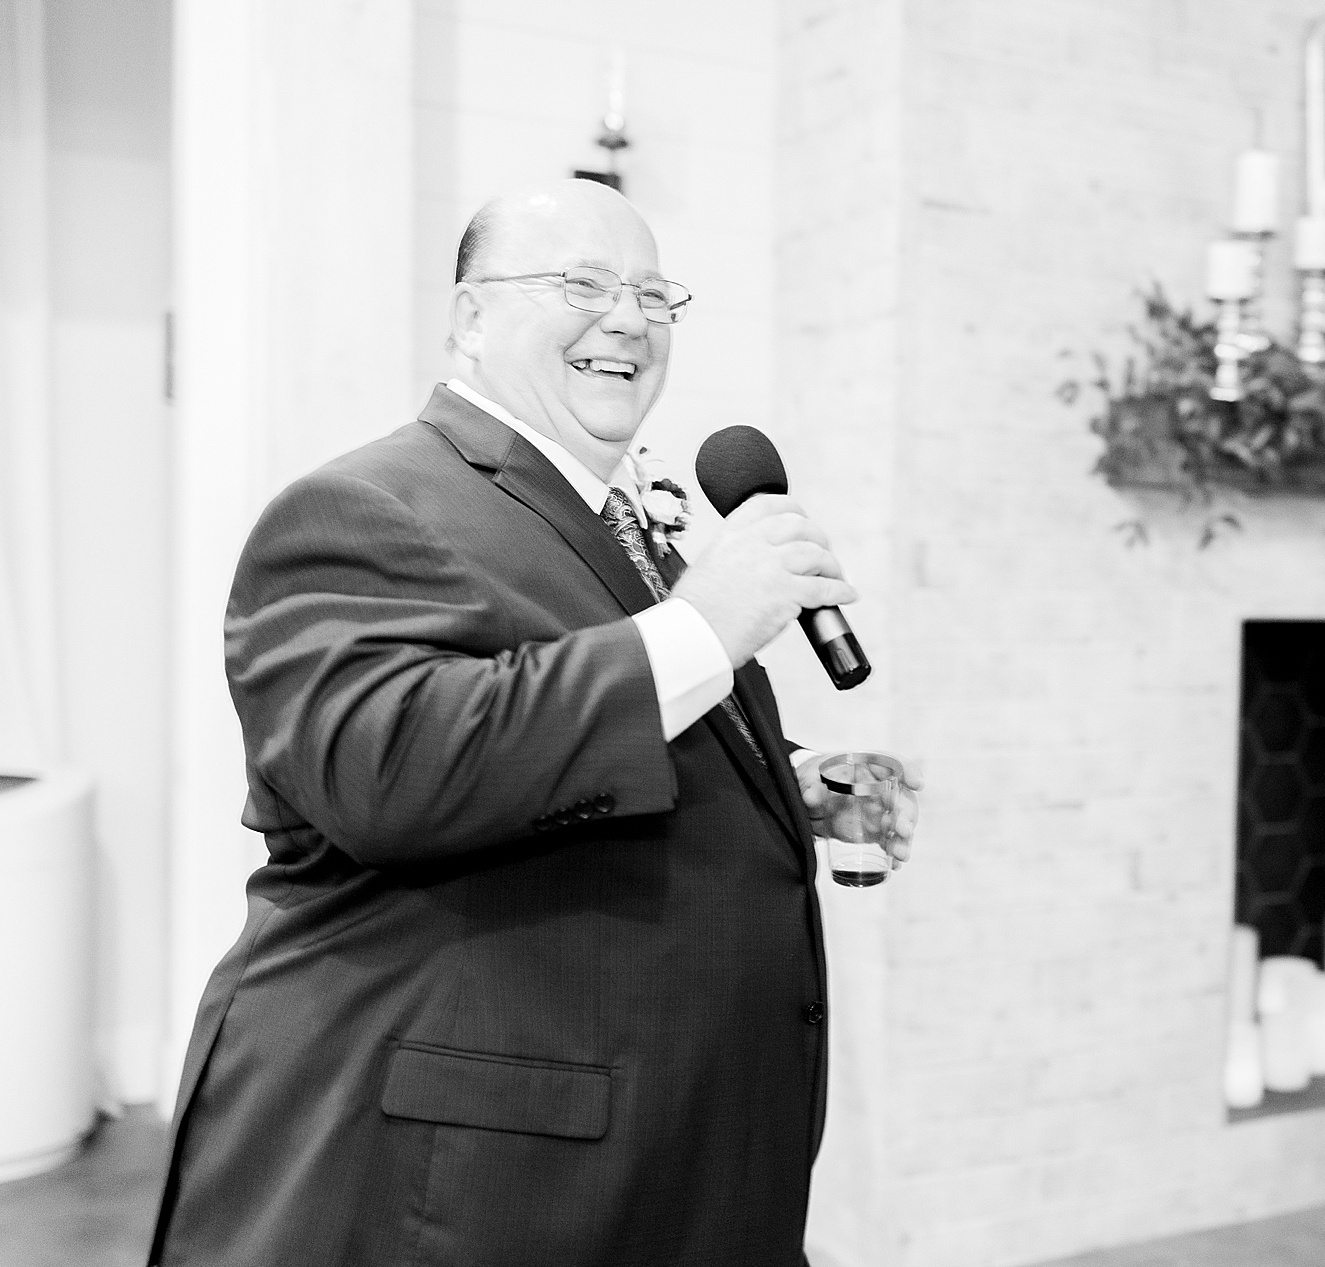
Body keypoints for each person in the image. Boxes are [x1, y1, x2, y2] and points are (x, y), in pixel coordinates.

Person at [149, 179, 918, 1267]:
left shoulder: (615, 520)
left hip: (664, 1148)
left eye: (655, 295)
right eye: (583, 283)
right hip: (473, 1177)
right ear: (469, 317)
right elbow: (390, 771)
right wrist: (705, 626)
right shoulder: (366, 505)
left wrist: (794, 782)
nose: (629, 319)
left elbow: (584, 731)